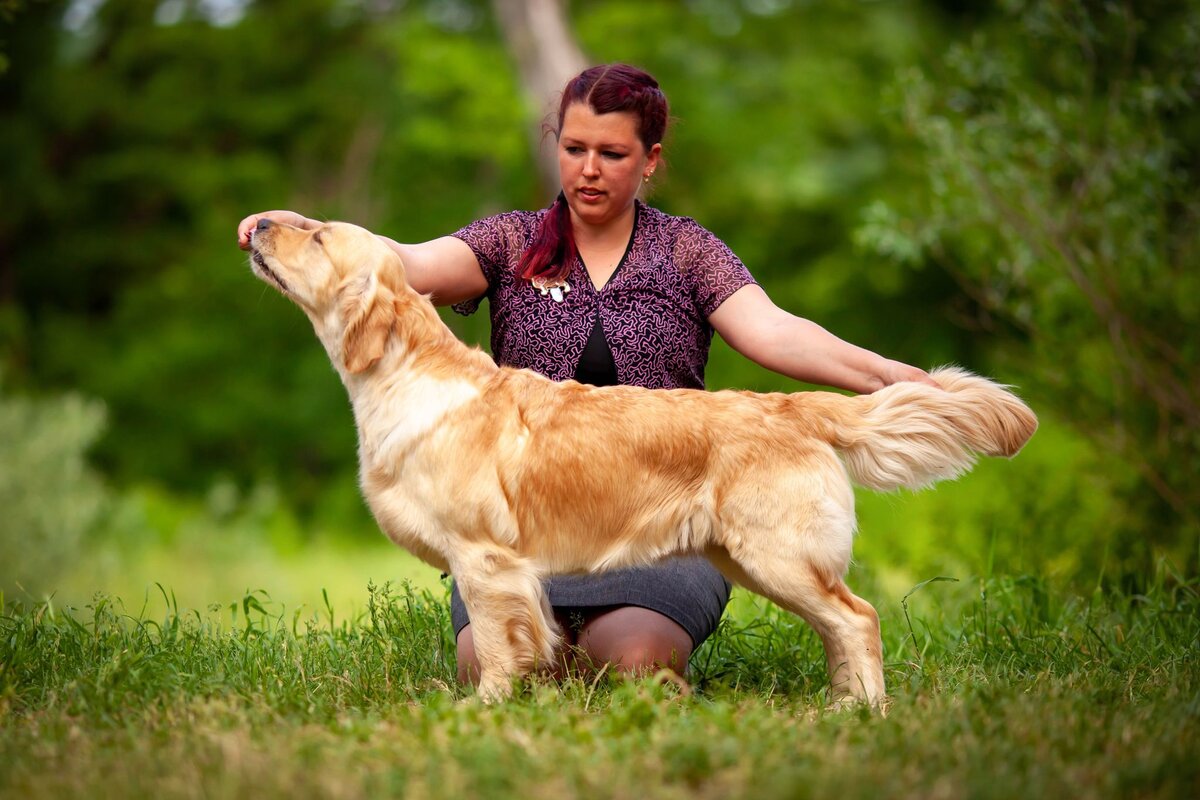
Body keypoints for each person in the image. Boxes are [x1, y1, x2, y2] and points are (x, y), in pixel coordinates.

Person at [238, 63, 935, 687]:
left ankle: (695, 664)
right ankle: (549, 651)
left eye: (611, 153)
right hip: (526, 531)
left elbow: (776, 332)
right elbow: (398, 264)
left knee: (632, 660)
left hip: (661, 510)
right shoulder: (508, 241)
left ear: (650, 160)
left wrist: (888, 379)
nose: (589, 170)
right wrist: (299, 230)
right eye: (574, 150)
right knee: (490, 662)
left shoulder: (687, 250)